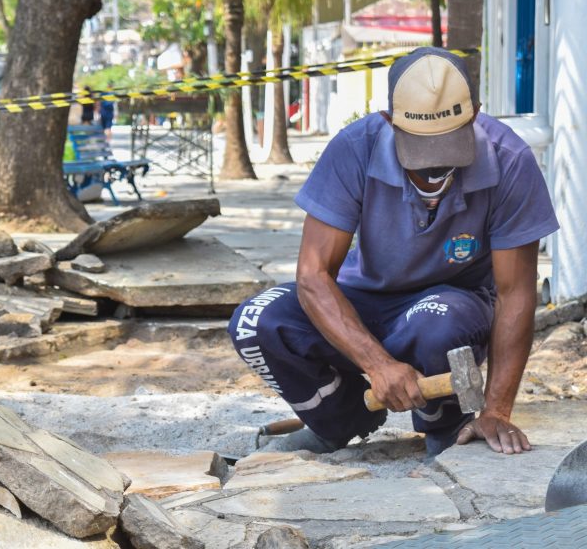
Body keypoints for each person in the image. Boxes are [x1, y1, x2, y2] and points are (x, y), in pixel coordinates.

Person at [229, 47, 559, 457]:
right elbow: (313, 276)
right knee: (255, 321)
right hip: (363, 297)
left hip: (449, 303)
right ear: (388, 120)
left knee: (438, 324)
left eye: (449, 147)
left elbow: (516, 295)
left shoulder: (510, 161)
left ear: (475, 113)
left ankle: (445, 428)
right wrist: (377, 365)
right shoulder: (355, 148)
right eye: (420, 151)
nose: (435, 168)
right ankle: (339, 421)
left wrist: (497, 410)